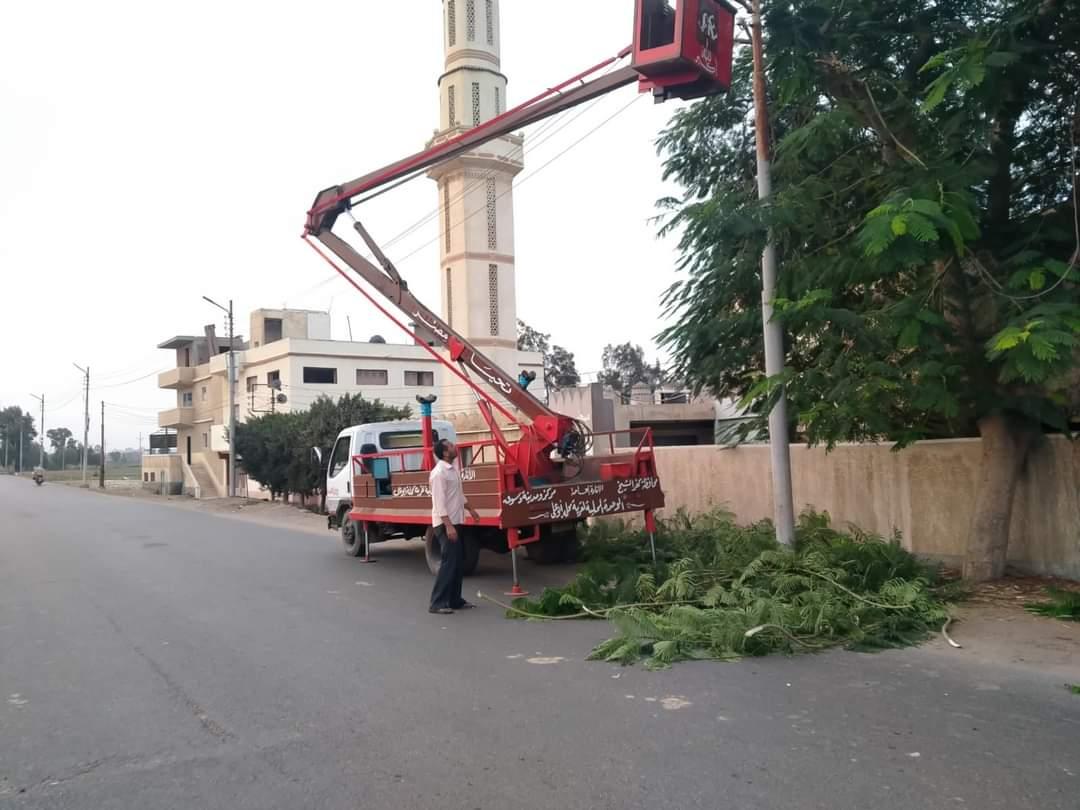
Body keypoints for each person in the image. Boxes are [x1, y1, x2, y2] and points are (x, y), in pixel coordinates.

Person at [428, 439, 480, 615]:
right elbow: (439, 503)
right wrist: (449, 527)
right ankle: (437, 603)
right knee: (449, 563)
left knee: (458, 563)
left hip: (456, 522)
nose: (455, 447)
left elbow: (458, 496)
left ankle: (455, 600)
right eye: (450, 446)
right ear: (444, 452)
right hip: (445, 524)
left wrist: (471, 509)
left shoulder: (452, 470)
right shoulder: (439, 473)